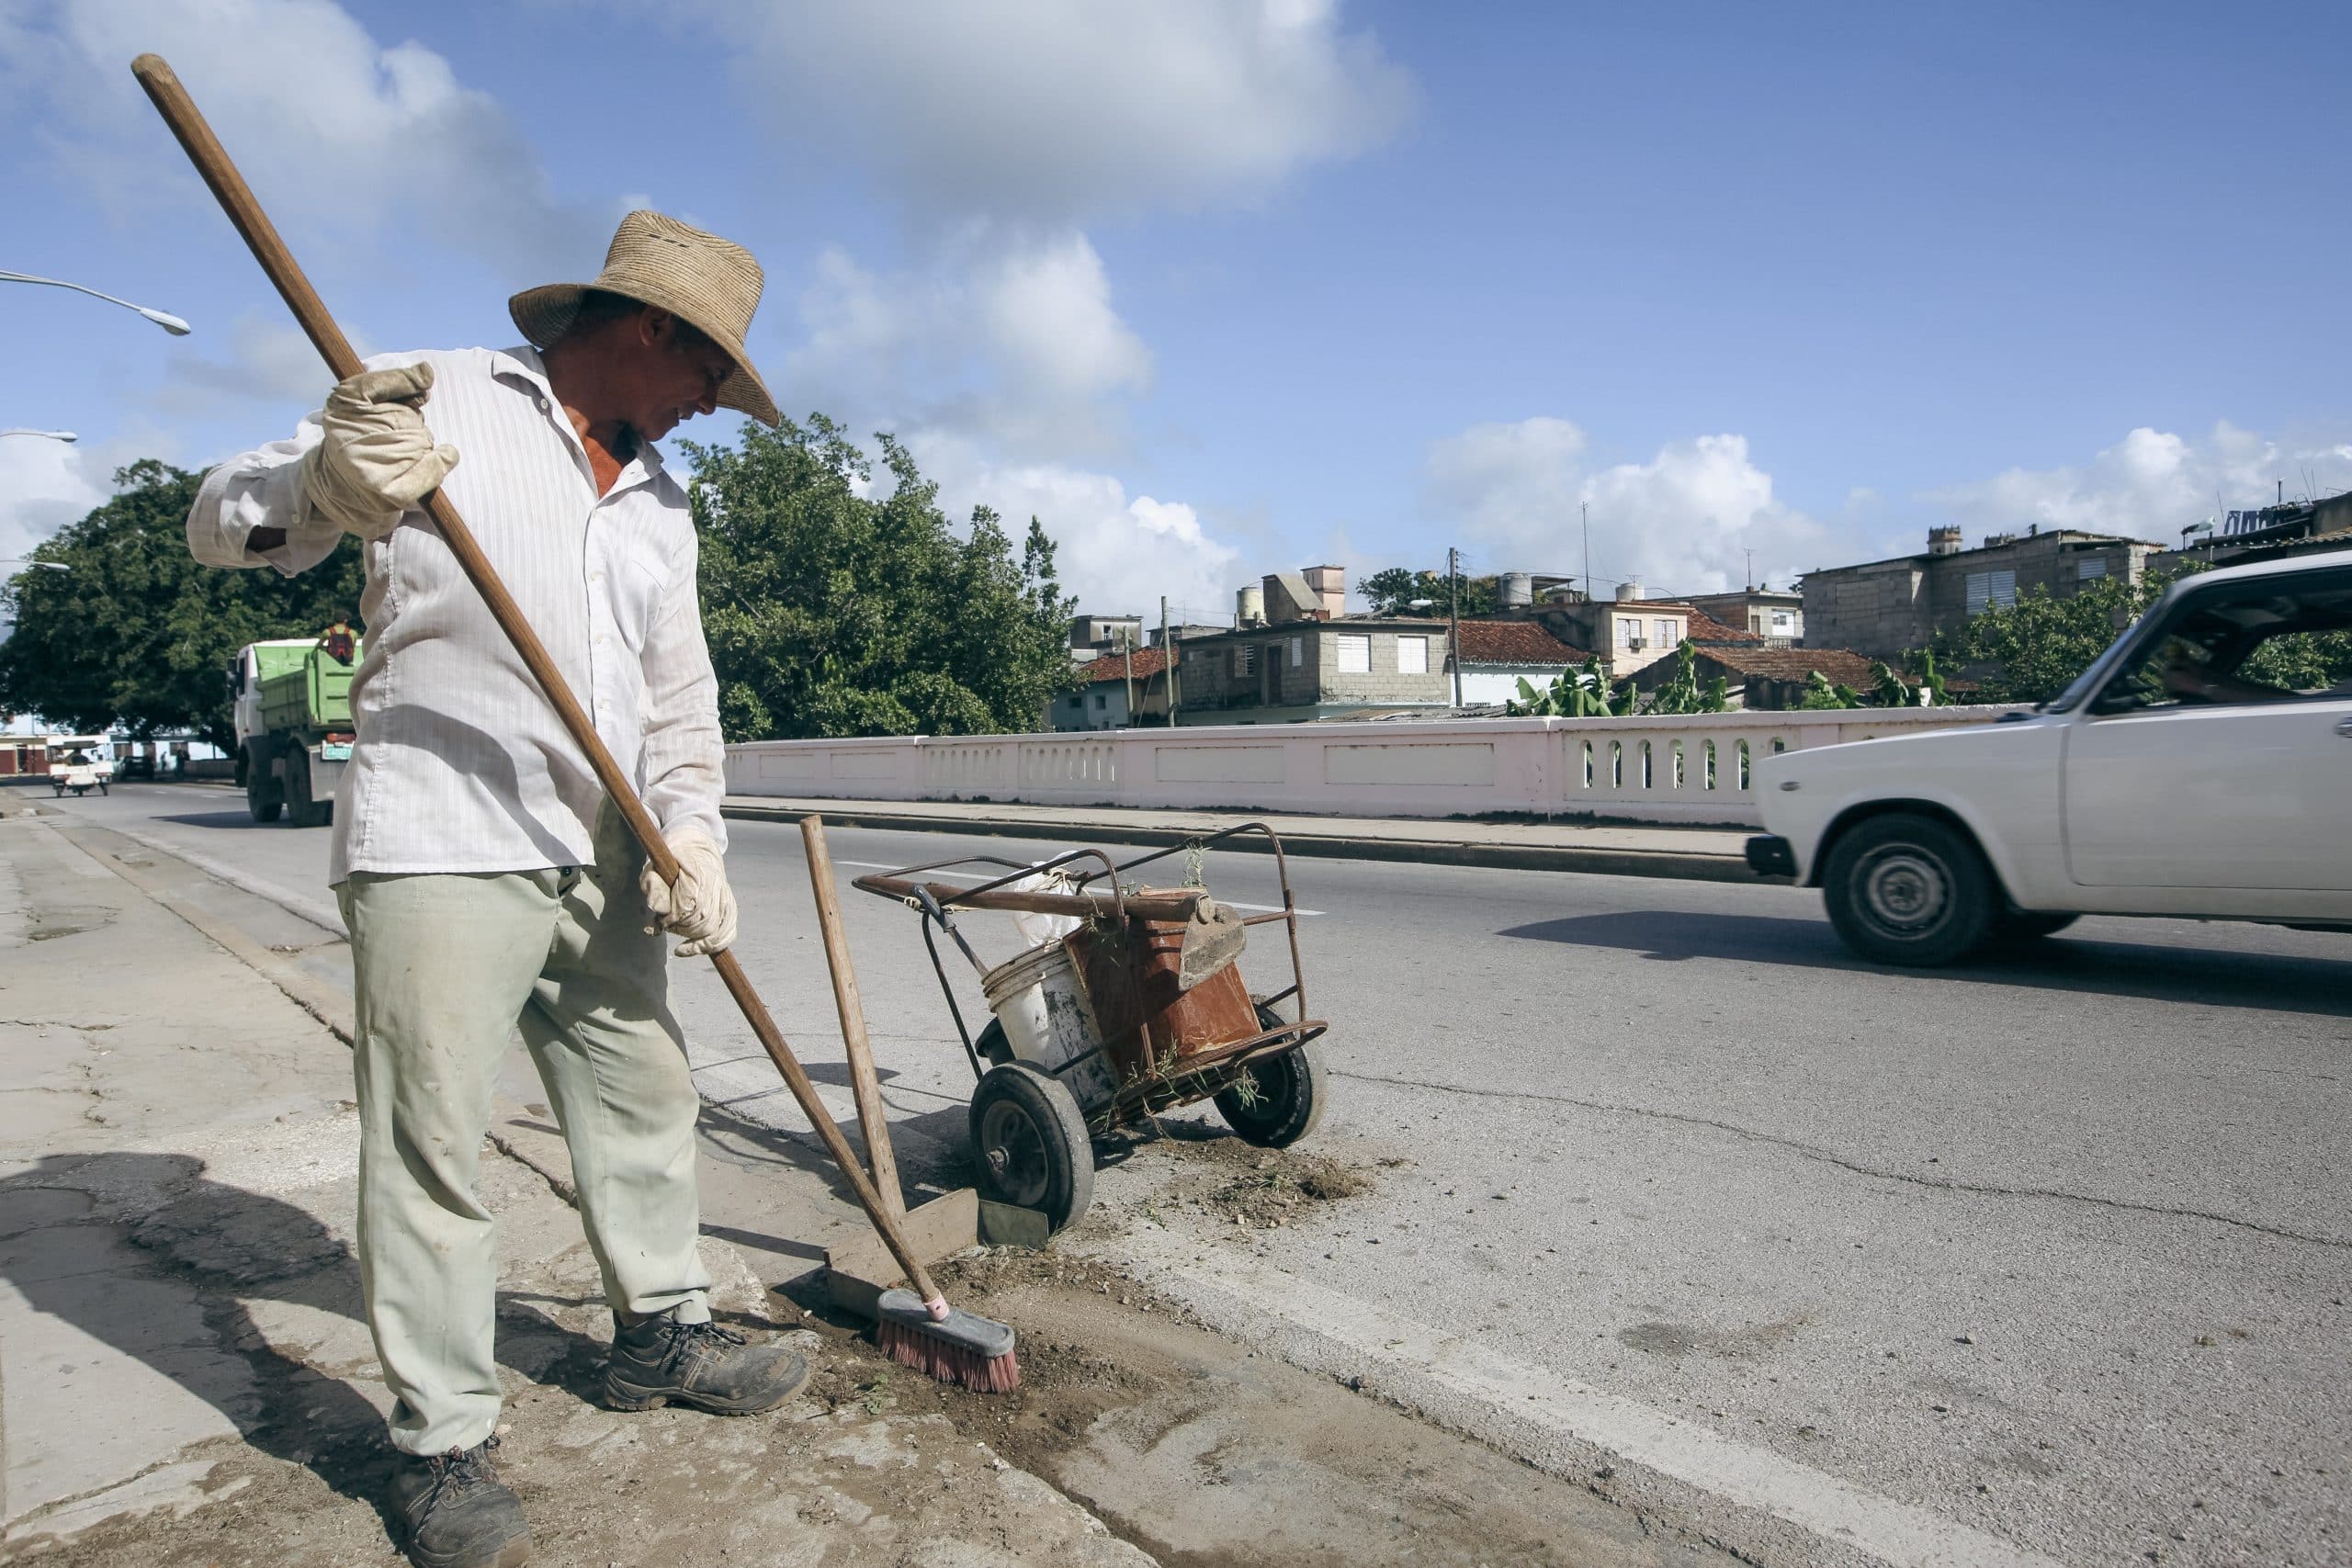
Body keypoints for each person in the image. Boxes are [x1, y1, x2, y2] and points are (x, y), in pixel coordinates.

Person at [187, 212, 803, 1568]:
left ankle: (659, 1337)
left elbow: (679, 699)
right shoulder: (432, 390)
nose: (709, 407)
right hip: (443, 835)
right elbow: (220, 518)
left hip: (608, 845)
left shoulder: (659, 500)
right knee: (433, 1142)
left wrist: (692, 838)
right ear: (652, 331)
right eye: (710, 376)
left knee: (645, 1092)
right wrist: (336, 488)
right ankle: (443, 1444)